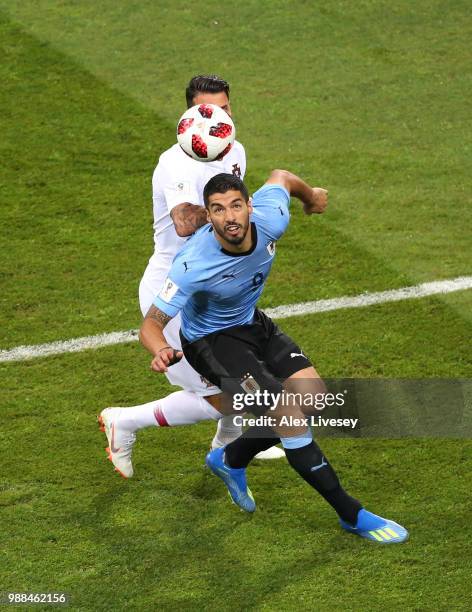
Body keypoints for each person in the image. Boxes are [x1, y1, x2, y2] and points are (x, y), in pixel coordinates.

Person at [139, 170, 408, 544]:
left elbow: (280, 177)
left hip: (252, 324)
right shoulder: (191, 264)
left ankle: (231, 458)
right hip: (211, 343)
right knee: (288, 418)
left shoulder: (272, 218)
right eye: (217, 210)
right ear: (208, 214)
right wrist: (161, 349)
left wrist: (310, 196)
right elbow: (151, 323)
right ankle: (352, 514)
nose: (229, 217)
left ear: (250, 206)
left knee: (312, 399)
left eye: (236, 206)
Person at [99, 75, 283, 479]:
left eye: (225, 111)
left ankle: (227, 452)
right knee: (224, 394)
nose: (219, 123)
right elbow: (183, 222)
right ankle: (125, 421)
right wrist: (224, 212)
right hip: (175, 288)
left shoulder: (235, 150)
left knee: (235, 383)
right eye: (208, 113)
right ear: (188, 119)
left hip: (216, 286)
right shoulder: (175, 164)